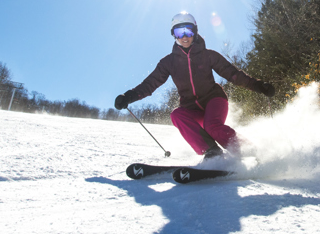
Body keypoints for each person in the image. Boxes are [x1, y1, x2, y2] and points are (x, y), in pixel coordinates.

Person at [114, 11, 275, 160]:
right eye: (179, 32)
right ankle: (212, 152)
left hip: (214, 99)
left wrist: (258, 86)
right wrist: (128, 96)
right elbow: (150, 84)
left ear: (195, 32)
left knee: (212, 126)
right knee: (176, 115)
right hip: (191, 107)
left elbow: (233, 74)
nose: (184, 37)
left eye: (188, 31)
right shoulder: (168, 63)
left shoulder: (208, 55)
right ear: (173, 35)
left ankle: (249, 151)